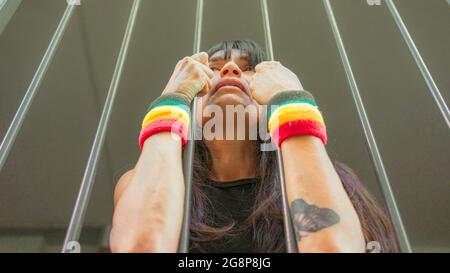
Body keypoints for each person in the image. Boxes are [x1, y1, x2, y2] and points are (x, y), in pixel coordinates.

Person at [110, 39, 398, 253]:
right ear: (193, 97)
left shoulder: (336, 180)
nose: (231, 69)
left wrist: (290, 102)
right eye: (213, 69)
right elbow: (141, 246)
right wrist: (171, 100)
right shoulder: (136, 182)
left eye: (248, 70)